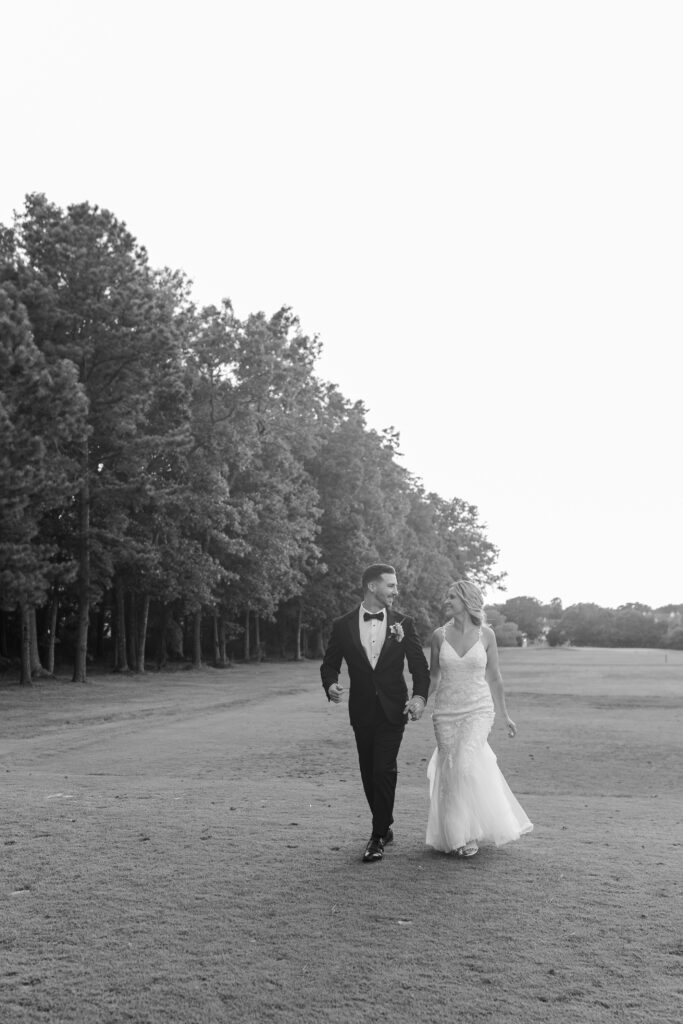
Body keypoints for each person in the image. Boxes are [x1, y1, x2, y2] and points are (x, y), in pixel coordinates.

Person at [321, 563, 430, 862]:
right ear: (372, 587)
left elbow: (420, 667)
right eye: (391, 585)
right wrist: (330, 684)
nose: (396, 590)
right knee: (369, 772)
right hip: (362, 710)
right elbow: (329, 664)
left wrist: (419, 697)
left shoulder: (404, 624)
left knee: (384, 768)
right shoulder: (342, 625)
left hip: (394, 709)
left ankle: (378, 835)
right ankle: (386, 824)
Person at [426, 579, 533, 857]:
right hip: (446, 711)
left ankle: (471, 833)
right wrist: (419, 701)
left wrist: (505, 715)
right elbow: (434, 676)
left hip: (479, 709)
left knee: (464, 764)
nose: (446, 601)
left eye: (452, 597)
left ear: (467, 600)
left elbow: (494, 677)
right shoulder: (439, 635)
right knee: (450, 769)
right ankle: (454, 835)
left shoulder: (487, 635)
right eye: (447, 597)